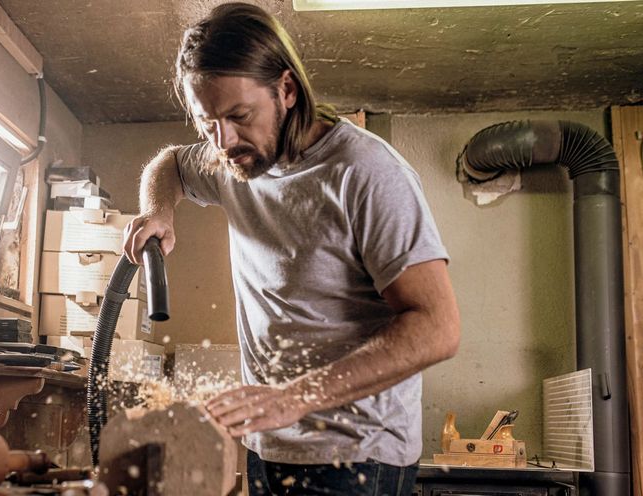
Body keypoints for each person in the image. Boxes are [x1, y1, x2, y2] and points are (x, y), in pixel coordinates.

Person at [121, 3, 461, 495]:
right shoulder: (230, 157)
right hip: (268, 445)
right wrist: (158, 211)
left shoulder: (366, 173)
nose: (223, 140)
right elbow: (170, 164)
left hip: (356, 454)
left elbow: (438, 327)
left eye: (239, 116)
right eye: (206, 122)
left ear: (287, 89)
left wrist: (294, 398)